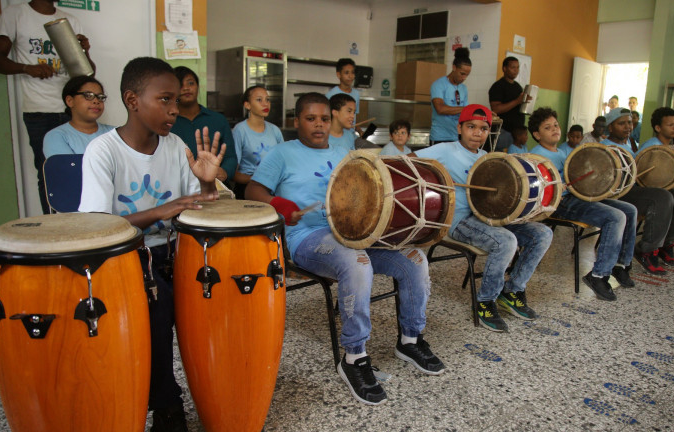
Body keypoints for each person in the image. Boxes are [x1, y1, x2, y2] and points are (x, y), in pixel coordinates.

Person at [246, 92, 444, 406]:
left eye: (324, 118)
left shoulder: (345, 151)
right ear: (296, 122)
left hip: (355, 234)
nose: (318, 125)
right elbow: (253, 189)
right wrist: (281, 205)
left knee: (414, 257)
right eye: (310, 119)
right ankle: (354, 356)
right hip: (308, 239)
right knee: (357, 262)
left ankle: (410, 338)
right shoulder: (281, 153)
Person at [79, 57, 226, 432]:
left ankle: (223, 397)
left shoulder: (176, 146)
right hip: (126, 258)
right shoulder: (103, 151)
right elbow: (96, 226)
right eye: (164, 100)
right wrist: (165, 209)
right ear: (132, 100)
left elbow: (197, 208)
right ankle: (168, 406)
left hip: (173, 252)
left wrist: (207, 186)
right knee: (158, 317)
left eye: (176, 100)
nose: (174, 110)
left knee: (219, 302)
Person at [415, 105, 553, 331]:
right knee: (506, 241)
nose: (477, 133)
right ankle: (485, 301)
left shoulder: (488, 158)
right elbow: (405, 160)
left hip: (489, 218)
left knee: (542, 233)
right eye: (471, 127)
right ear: (459, 128)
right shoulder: (444, 150)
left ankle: (513, 290)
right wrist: (434, 181)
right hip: (458, 220)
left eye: (483, 128)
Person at [0, 0, 95, 214]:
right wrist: (27, 68)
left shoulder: (70, 21)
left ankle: (85, 220)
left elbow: (88, 73)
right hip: (39, 110)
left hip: (72, 108)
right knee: (48, 173)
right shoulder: (15, 14)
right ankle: (54, 224)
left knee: (84, 168)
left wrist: (84, 51)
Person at [529, 107, 637, 301]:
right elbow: (535, 188)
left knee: (629, 210)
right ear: (537, 135)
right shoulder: (536, 157)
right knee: (615, 217)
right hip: (560, 204)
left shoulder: (563, 152)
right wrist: (556, 187)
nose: (554, 129)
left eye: (555, 125)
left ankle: (621, 265)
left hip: (577, 197)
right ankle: (598, 275)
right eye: (547, 127)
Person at [602, 107, 674, 274]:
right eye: (621, 124)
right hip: (618, 194)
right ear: (610, 127)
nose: (628, 127)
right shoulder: (605, 147)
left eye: (629, 122)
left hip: (632, 190)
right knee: (662, 197)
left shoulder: (628, 144)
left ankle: (665, 245)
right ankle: (646, 250)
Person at [171, 66, 237, 187]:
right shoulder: (168, 122)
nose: (186, 88)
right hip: (178, 188)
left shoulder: (218, 120)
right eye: (180, 85)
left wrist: (225, 171)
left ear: (198, 86)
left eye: (190, 83)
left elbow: (230, 156)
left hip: (215, 187)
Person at [231, 84, 284, 198]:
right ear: (247, 105)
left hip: (272, 187)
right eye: (259, 100)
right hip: (247, 188)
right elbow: (233, 173)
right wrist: (257, 179)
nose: (265, 104)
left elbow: (283, 162)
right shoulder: (240, 130)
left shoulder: (275, 130)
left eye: (267, 100)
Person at [43, 76, 113, 157]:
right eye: (88, 95)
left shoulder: (116, 132)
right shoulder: (56, 136)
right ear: (70, 101)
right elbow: (69, 168)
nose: (96, 101)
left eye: (100, 97)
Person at [430, 47, 471, 144]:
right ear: (454, 67)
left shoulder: (463, 88)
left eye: (467, 75)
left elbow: (466, 113)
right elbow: (440, 109)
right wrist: (465, 109)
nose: (464, 78)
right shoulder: (439, 84)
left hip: (456, 137)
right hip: (440, 137)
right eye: (462, 74)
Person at [488, 56, 530, 151]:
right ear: (504, 68)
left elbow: (519, 105)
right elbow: (496, 109)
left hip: (518, 134)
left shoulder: (518, 87)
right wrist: (517, 101)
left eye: (517, 67)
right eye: (513, 67)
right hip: (504, 131)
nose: (516, 70)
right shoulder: (497, 86)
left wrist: (526, 102)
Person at [325, 58, 361, 135]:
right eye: (346, 73)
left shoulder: (356, 94)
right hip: (335, 136)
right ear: (338, 74)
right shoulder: (330, 95)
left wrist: (359, 130)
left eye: (352, 72)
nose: (350, 76)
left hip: (351, 136)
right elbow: (326, 119)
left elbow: (354, 118)